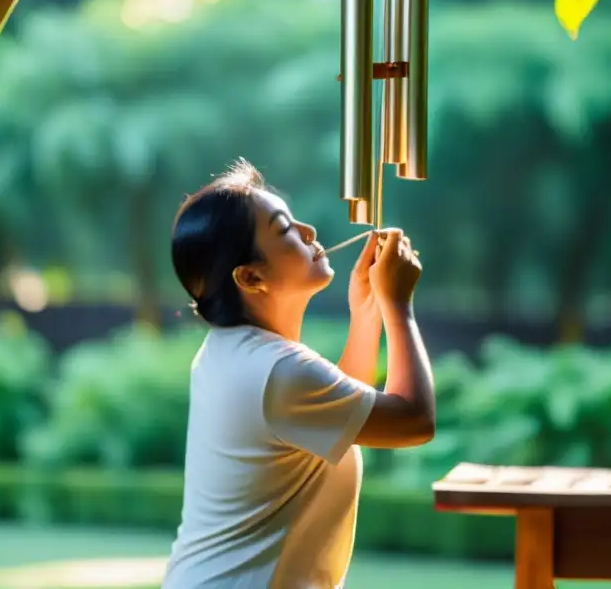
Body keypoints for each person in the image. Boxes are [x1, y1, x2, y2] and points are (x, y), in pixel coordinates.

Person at [162, 159, 435, 589]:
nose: (308, 231)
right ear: (251, 276)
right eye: (285, 228)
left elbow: (334, 423)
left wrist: (369, 312)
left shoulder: (237, 354)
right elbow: (414, 420)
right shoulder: (276, 371)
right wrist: (400, 305)